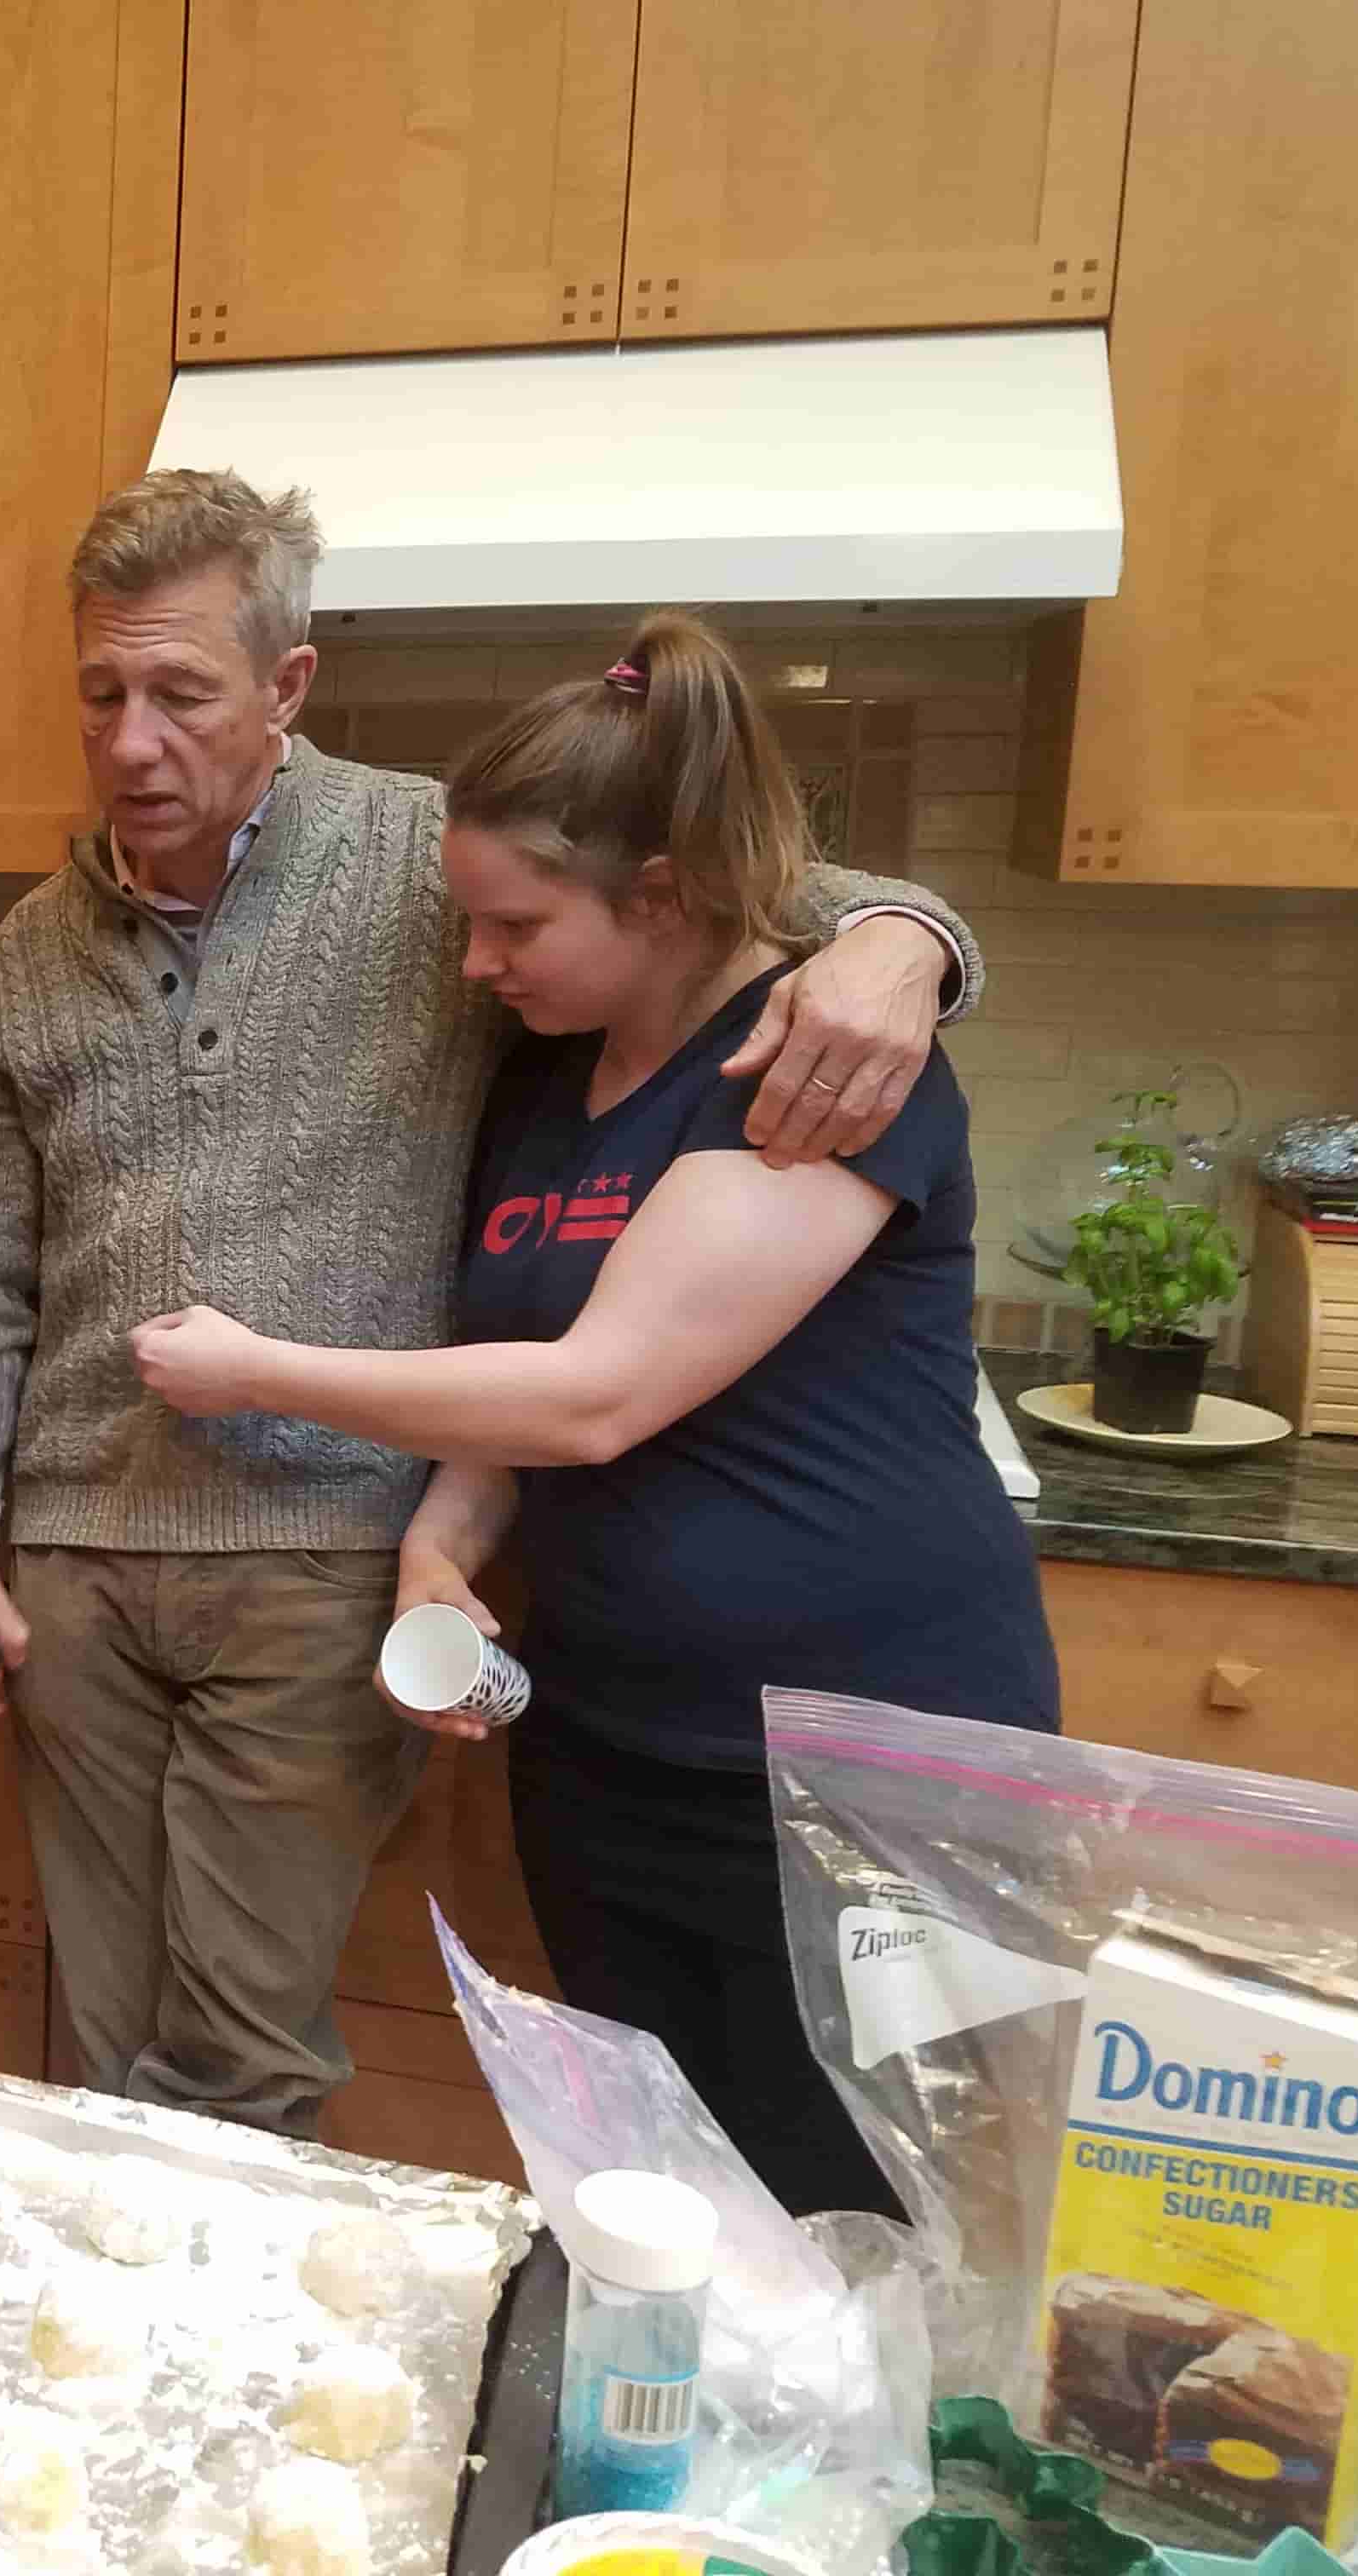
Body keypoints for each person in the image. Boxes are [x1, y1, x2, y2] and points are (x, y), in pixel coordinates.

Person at [0, 469, 987, 2141]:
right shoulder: (31, 950)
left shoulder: (439, 863)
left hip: (324, 1553)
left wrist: (911, 938)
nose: (131, 743)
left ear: (288, 685)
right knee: (102, 2036)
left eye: (181, 693)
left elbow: (754, 895)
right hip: (72, 1562)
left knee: (237, 2054)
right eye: (101, 694)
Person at [127, 611, 1058, 2211]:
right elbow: (514, 1372)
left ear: (664, 897)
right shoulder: (551, 1080)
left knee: (865, 2220)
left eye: (516, 926)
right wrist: (437, 1554)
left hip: (860, 1765)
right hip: (615, 1745)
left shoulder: (813, 1066)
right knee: (659, 2190)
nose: (477, 964)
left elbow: (595, 1395)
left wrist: (257, 1368)